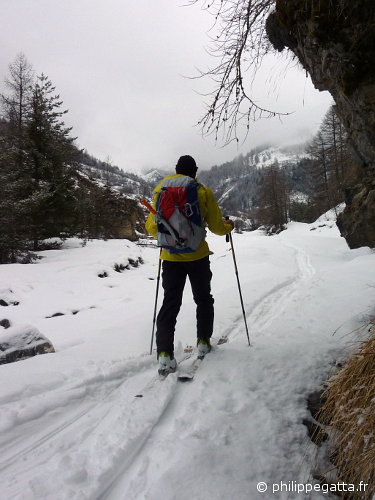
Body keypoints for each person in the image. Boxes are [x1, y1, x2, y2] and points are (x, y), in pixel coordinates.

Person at [145, 155, 234, 375]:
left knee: (170, 304)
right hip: (197, 257)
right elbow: (215, 226)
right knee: (203, 298)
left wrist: (171, 236)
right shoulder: (202, 190)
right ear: (194, 172)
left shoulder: (160, 189)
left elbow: (151, 227)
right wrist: (229, 227)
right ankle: (203, 341)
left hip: (170, 259)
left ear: (176, 170)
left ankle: (165, 354)